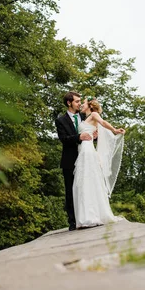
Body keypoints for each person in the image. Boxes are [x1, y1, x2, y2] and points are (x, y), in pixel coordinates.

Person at [73, 97, 126, 229]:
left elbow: (103, 122)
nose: (82, 105)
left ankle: (90, 216)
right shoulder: (84, 119)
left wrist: (114, 130)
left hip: (87, 149)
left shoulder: (94, 114)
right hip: (83, 148)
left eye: (84, 103)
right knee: (84, 181)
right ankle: (86, 215)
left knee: (87, 179)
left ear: (90, 106)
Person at [55, 91, 94, 231]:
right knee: (70, 190)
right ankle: (73, 222)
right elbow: (64, 139)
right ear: (69, 103)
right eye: (77, 101)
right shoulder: (60, 120)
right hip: (69, 160)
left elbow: (90, 133)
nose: (79, 103)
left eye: (79, 101)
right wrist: (79, 137)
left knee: (88, 187)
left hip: (86, 158)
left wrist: (93, 136)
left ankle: (88, 216)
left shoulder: (85, 115)